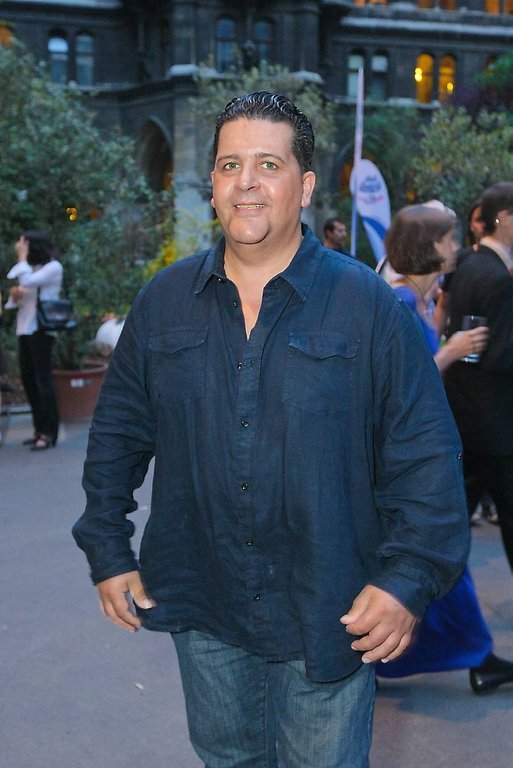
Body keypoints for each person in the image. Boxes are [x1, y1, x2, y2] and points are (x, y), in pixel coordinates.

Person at [72, 92, 470, 768]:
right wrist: (108, 550)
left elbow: (425, 456)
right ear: (213, 184)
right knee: (227, 761)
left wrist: (407, 579)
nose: (247, 183)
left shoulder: (368, 307)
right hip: (204, 600)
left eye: (268, 164)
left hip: (331, 606)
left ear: (305, 186)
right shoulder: (163, 302)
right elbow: (117, 437)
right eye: (230, 165)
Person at [376, 203, 513, 693]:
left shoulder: (413, 299)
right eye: (448, 239)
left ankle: (473, 657)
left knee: (434, 566)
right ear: (428, 247)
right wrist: (451, 352)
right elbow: (398, 387)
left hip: (419, 456)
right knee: (436, 562)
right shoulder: (398, 302)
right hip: (405, 463)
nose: (455, 247)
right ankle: (475, 658)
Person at [444, 181, 513, 578]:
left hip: (465, 417)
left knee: (450, 530)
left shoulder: (468, 264)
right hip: (497, 428)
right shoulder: (498, 278)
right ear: (503, 218)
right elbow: (500, 357)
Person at [5, 230, 63, 449]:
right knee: (28, 379)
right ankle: (39, 429)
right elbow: (21, 296)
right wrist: (14, 296)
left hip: (42, 329)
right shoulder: (33, 269)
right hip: (25, 328)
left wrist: (21, 258)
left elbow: (28, 281)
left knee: (43, 380)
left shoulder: (53, 267)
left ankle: (49, 433)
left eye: (24, 245)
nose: (21, 249)